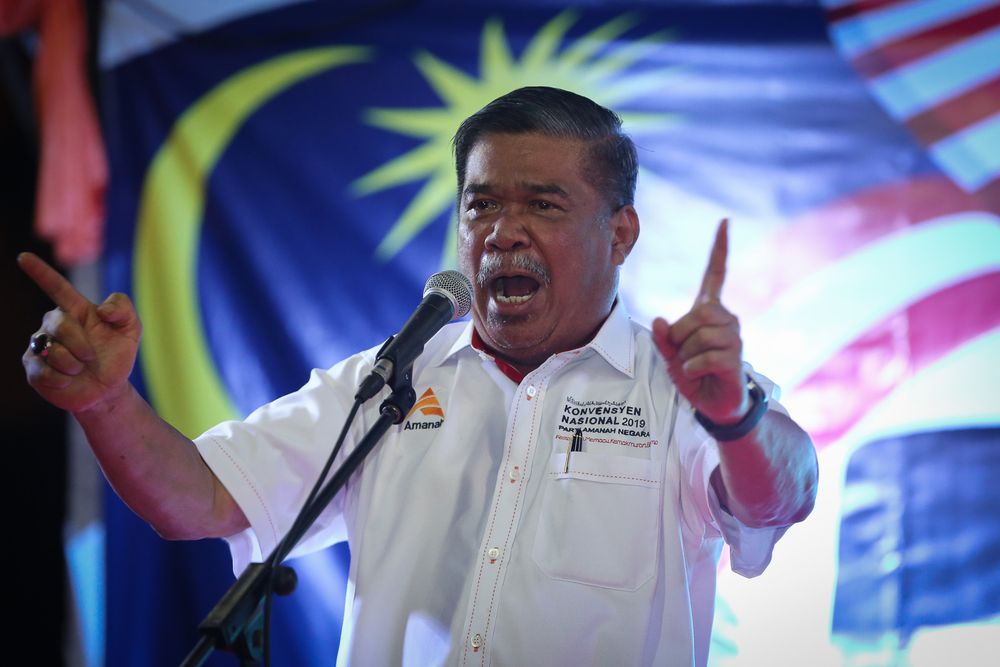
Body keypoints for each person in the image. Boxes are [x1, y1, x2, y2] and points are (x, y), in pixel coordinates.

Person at [22, 87, 817, 666]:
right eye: (481, 206)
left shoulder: (684, 391)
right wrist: (103, 401)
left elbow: (779, 496)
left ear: (621, 232)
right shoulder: (391, 380)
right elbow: (194, 498)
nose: (504, 232)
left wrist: (735, 420)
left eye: (542, 205)